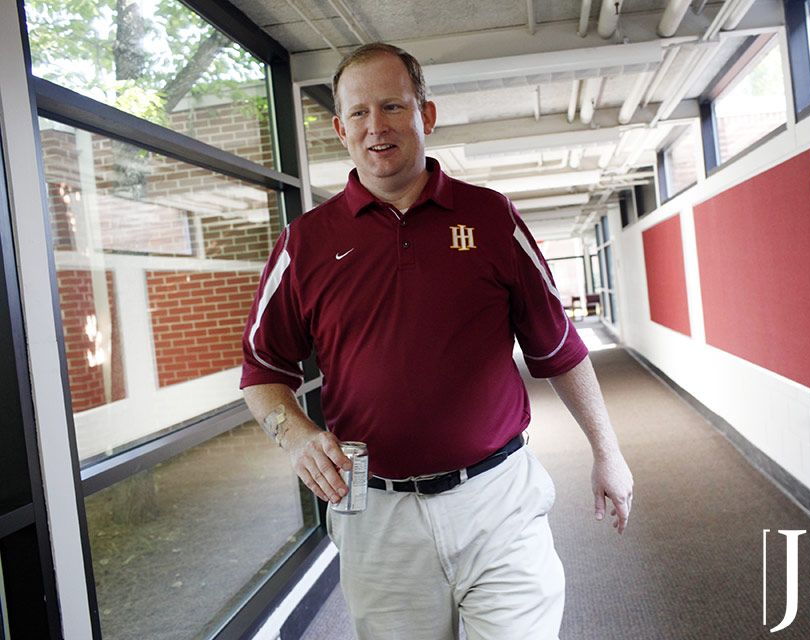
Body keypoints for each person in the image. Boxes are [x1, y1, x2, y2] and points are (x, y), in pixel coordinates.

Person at [240, 42, 633, 640]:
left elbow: (559, 349)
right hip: (377, 515)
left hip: (497, 499)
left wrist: (608, 451)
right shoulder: (305, 243)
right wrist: (295, 437)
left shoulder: (491, 218)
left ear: (425, 115)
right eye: (359, 112)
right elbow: (262, 369)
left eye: (392, 106)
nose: (376, 126)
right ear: (341, 129)